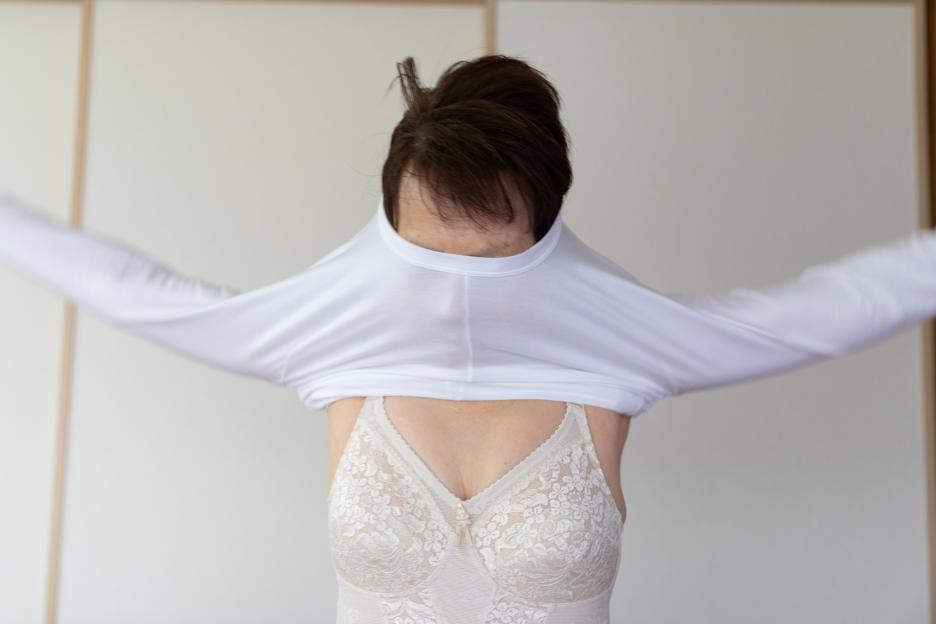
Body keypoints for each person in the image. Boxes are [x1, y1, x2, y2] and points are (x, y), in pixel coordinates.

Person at [2, 54, 935, 624]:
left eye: (483, 244)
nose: (451, 281)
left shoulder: (620, 336)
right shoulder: (332, 326)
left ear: (541, 220)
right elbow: (141, 292)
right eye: (427, 238)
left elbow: (827, 307)